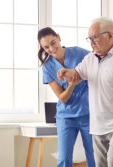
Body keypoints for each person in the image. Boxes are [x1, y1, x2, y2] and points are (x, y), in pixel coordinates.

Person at [57, 17, 113, 167]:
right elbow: (76, 75)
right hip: (98, 126)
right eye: (89, 38)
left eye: (95, 37)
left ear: (110, 35)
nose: (91, 42)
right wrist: (67, 72)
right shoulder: (90, 58)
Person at [37, 27, 95, 167]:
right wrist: (71, 85)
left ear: (59, 37)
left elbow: (98, 65)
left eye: (53, 42)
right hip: (66, 117)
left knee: (93, 155)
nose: (51, 48)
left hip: (88, 114)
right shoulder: (48, 67)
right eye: (46, 47)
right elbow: (62, 98)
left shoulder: (80, 53)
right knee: (64, 158)